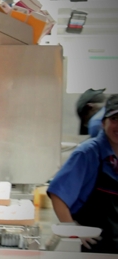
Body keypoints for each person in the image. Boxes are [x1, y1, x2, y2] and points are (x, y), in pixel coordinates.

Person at [48, 94, 118, 254]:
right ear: (103, 122)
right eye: (115, 119)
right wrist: (72, 230)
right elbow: (58, 194)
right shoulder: (87, 153)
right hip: (92, 248)